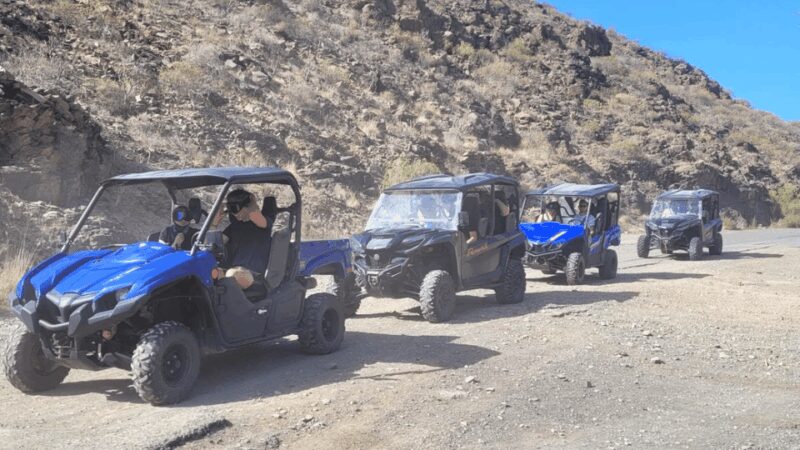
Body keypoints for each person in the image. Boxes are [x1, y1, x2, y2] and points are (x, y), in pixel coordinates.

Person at [211, 188, 271, 290]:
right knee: (208, 272)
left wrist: (250, 201)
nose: (235, 214)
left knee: (232, 275)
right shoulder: (234, 227)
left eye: (236, 209)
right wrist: (214, 222)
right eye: (231, 210)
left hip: (253, 275)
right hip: (233, 271)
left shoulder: (262, 225)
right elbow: (214, 244)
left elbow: (255, 215)